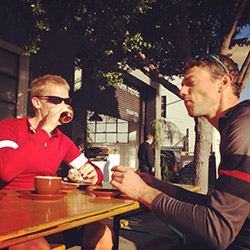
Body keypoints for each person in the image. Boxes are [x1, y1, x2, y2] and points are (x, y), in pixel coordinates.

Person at [111, 54, 250, 249]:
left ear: (223, 82)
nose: (182, 91)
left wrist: (143, 192)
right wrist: (159, 186)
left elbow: (217, 228)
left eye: (190, 83)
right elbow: (214, 207)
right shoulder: (235, 124)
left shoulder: (244, 128)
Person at [0, 74, 113, 250]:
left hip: (50, 214)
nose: (62, 106)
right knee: (36, 246)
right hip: (11, 215)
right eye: (55, 100)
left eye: (66, 101)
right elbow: (6, 170)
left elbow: (94, 172)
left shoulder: (61, 139)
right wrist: (44, 131)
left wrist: (92, 176)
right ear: (36, 103)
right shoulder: (10, 127)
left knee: (101, 232)